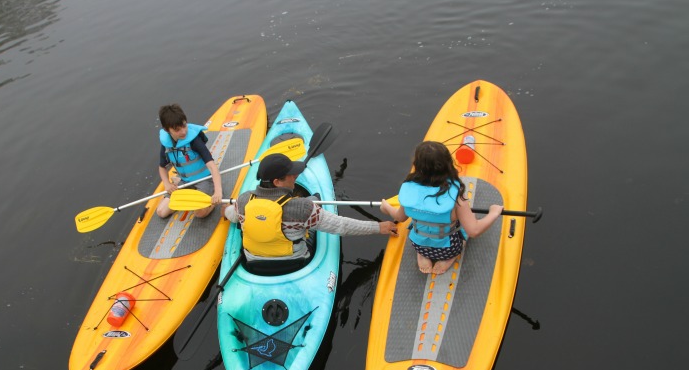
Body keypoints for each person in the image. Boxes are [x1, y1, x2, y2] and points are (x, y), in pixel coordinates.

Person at [223, 153, 398, 265]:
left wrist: (224, 210)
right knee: (314, 202)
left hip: (254, 261)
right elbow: (341, 226)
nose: (296, 176)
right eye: (291, 174)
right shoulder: (302, 208)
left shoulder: (244, 199)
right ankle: (316, 199)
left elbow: (232, 215)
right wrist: (379, 227)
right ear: (277, 182)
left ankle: (315, 200)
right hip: (294, 261)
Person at [380, 141, 503, 275]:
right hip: (448, 248)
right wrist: (494, 213)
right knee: (469, 220)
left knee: (421, 229)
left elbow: (400, 217)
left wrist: (385, 206)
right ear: (448, 163)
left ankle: (423, 255)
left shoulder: (409, 191)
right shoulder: (456, 198)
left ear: (417, 165)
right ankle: (449, 258)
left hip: (419, 245)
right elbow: (474, 230)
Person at [156, 104, 222, 218]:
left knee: (199, 214)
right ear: (167, 130)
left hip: (205, 180)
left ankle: (212, 198)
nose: (183, 132)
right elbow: (162, 168)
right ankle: (179, 183)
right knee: (161, 212)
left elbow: (212, 166)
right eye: (177, 130)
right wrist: (167, 184)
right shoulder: (166, 144)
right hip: (185, 182)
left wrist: (218, 192)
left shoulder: (194, 140)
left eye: (184, 126)